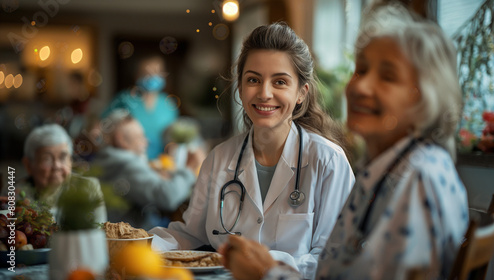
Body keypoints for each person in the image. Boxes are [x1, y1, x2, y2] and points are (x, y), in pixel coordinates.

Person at [219, 3, 469, 280]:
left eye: (388, 76)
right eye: (361, 70)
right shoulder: (388, 170)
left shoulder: (418, 180)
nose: (360, 86)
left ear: (423, 96)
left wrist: (266, 273)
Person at [149, 22, 355, 278]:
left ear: (301, 93)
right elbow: (191, 234)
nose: (264, 93)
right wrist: (141, 245)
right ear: (240, 87)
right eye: (253, 80)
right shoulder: (219, 159)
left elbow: (336, 260)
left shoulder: (329, 162)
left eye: (280, 82)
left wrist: (264, 264)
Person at [92, 109, 205, 229]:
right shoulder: (128, 166)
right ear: (121, 140)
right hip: (134, 238)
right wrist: (189, 169)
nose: (146, 142)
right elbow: (168, 197)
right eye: (140, 137)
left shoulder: (106, 160)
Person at [21, 124, 107, 224]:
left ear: (71, 161)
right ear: (28, 165)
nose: (57, 166)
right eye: (47, 159)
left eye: (63, 158)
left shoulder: (88, 189)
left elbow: (99, 233)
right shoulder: (15, 195)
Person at [102, 55, 179, 159]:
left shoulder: (168, 104)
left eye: (156, 73)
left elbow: (173, 136)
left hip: (160, 163)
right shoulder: (125, 99)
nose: (152, 77)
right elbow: (103, 126)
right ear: (137, 76)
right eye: (146, 74)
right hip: (128, 161)